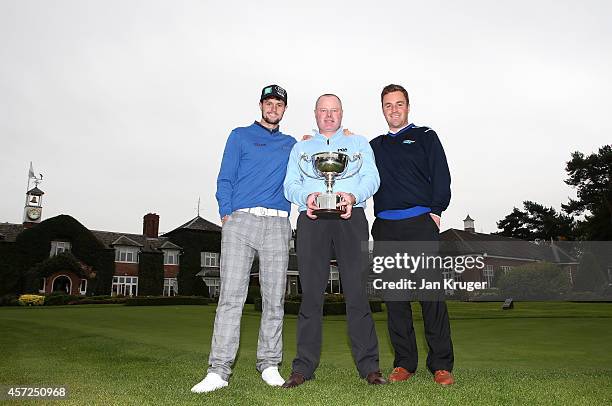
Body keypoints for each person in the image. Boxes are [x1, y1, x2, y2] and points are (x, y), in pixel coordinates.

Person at [191, 84, 296, 393]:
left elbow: (312, 158)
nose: (273, 107)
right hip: (242, 220)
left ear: (284, 109)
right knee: (231, 298)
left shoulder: (291, 144)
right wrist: (227, 214)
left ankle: (270, 364)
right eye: (269, 102)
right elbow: (225, 177)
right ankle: (219, 371)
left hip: (277, 224)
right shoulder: (239, 135)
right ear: (261, 105)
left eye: (279, 103)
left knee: (274, 299)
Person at [282, 94, 386, 388]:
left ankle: (370, 368)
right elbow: (290, 184)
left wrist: (353, 196)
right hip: (311, 219)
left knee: (356, 294)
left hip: (350, 219)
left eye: (334, 111)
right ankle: (302, 368)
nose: (329, 116)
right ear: (315, 114)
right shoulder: (301, 148)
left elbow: (372, 178)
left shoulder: (358, 144)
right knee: (311, 296)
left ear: (342, 113)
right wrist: (307, 197)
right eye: (323, 111)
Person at [369, 84, 455, 386]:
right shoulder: (374, 145)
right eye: (388, 104)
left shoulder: (426, 137)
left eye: (399, 104)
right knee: (395, 299)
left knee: (431, 297)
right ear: (382, 109)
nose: (394, 109)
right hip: (386, 228)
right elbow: (352, 168)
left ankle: (441, 365)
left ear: (408, 106)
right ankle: (404, 363)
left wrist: (436, 211)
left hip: (419, 224)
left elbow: (441, 174)